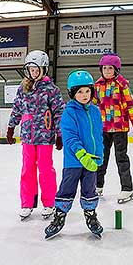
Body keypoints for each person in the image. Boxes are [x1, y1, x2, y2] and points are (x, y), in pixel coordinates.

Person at [44, 69, 104, 239]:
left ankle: (91, 216)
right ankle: (59, 217)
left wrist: (99, 155)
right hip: (74, 162)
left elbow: (98, 135)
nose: (84, 95)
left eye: (87, 91)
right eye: (80, 92)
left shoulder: (95, 111)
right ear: (72, 93)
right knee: (66, 190)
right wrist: (82, 155)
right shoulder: (69, 113)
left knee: (89, 191)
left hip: (91, 161)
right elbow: (70, 138)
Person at [6, 50, 65, 220]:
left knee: (46, 170)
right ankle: (27, 203)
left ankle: (49, 203)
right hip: (27, 137)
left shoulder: (51, 90)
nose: (33, 72)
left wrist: (59, 134)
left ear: (44, 69)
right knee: (27, 169)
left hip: (45, 136)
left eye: (36, 69)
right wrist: (11, 127)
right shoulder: (23, 88)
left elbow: (58, 113)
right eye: (30, 69)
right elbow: (17, 108)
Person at [93, 53, 133, 203]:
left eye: (110, 68)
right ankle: (97, 186)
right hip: (103, 128)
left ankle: (127, 189)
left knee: (121, 158)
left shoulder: (122, 84)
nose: (107, 71)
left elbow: (130, 105)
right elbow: (92, 103)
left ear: (117, 69)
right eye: (105, 68)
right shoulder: (98, 85)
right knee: (101, 158)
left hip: (120, 128)